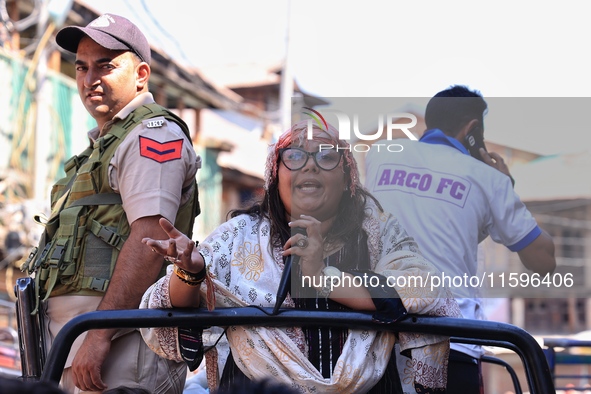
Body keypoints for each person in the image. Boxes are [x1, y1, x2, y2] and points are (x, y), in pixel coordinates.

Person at [140, 120, 461, 394]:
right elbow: (172, 315)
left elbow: (424, 293)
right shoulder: (238, 237)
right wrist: (190, 274)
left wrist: (321, 276)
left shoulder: (379, 232)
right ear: (275, 174)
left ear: (348, 177)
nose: (310, 164)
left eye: (325, 156)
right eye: (294, 155)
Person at [21, 13, 200, 393]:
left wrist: (99, 335)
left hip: (119, 345)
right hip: (79, 343)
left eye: (106, 65)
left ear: (140, 74)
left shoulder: (152, 135)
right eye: (82, 67)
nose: (89, 79)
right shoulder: (105, 144)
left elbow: (150, 237)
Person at [364, 85, 556, 393]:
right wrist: (507, 186)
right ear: (473, 129)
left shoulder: (379, 155)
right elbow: (544, 259)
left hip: (379, 340)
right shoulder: (489, 180)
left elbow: (443, 226)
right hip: (453, 341)